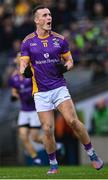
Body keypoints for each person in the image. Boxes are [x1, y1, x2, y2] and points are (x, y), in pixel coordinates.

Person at [20, 5, 103, 174]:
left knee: (72, 121)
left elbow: (70, 61)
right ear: (36, 20)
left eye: (49, 14)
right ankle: (53, 165)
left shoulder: (60, 40)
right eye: (44, 15)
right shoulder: (28, 42)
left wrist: (65, 68)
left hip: (59, 87)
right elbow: (23, 65)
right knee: (47, 129)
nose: (48, 18)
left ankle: (92, 154)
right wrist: (25, 71)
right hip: (41, 92)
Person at [9, 53, 43, 165]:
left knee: (35, 138)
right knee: (23, 136)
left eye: (21, 56)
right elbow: (14, 90)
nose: (19, 57)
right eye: (18, 56)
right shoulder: (14, 77)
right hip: (24, 110)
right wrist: (15, 95)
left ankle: (56, 145)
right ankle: (35, 157)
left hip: (34, 110)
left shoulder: (31, 72)